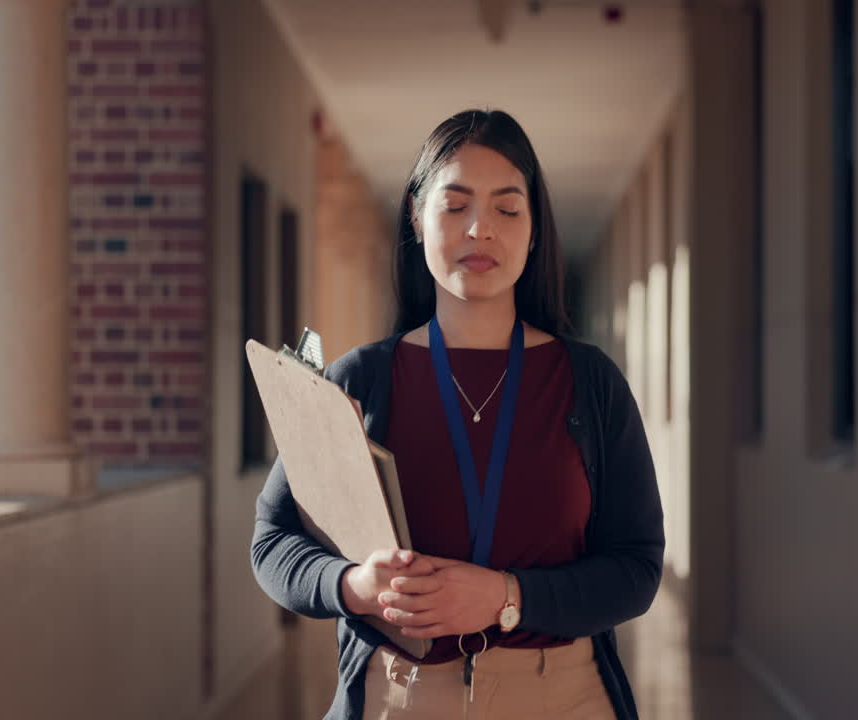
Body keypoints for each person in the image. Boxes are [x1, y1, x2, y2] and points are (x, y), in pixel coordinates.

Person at [251, 109, 663, 720]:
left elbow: (637, 566)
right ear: (417, 218)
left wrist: (507, 596)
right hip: (398, 698)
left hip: (562, 699)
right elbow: (273, 541)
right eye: (455, 205)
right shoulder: (360, 378)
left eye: (507, 208)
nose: (479, 229)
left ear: (535, 229)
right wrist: (352, 586)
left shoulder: (590, 382)